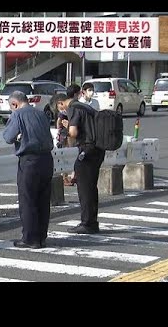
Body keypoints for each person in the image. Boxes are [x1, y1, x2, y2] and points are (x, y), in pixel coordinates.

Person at [3, 91, 54, 249]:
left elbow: (7, 137)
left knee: (28, 199)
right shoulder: (41, 114)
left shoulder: (18, 115)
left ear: (15, 104)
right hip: (47, 159)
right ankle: (41, 237)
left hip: (29, 160)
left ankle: (30, 238)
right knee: (43, 200)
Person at [50, 93, 105, 234]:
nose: (62, 112)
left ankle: (87, 223)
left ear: (60, 103)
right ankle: (92, 221)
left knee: (85, 188)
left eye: (59, 109)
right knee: (91, 187)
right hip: (98, 149)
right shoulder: (85, 107)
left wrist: (66, 130)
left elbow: (73, 133)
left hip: (87, 150)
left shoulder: (73, 108)